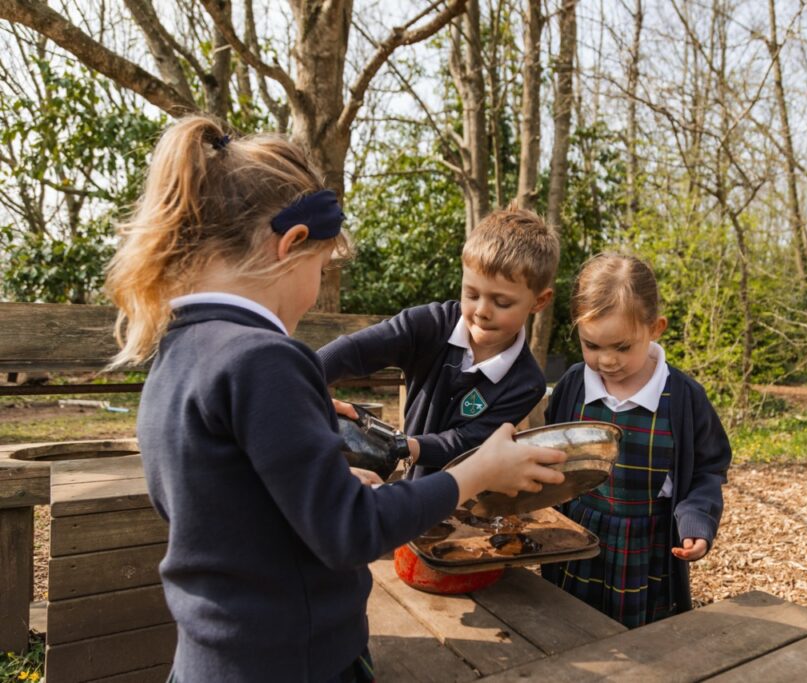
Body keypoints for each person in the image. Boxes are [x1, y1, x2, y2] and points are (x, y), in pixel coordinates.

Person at [104, 116, 566, 682]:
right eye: (322, 269)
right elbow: (349, 532)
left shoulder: (178, 347)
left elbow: (232, 507)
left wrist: (330, 475)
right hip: (296, 663)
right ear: (293, 245)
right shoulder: (265, 359)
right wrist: (479, 471)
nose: (317, 288)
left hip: (214, 657)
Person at [541, 252, 731, 628]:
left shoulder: (683, 397)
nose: (607, 360)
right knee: (568, 630)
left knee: (641, 642)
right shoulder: (572, 387)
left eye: (622, 347)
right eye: (591, 345)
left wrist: (696, 523)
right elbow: (550, 451)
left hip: (644, 551)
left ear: (655, 327)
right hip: (576, 541)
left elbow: (708, 470)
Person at [318, 205, 559, 478]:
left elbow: (467, 442)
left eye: (501, 302)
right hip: (411, 486)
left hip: (470, 498)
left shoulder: (526, 382)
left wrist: (400, 445)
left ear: (538, 301)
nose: (482, 311)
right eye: (471, 294)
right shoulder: (430, 324)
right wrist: (304, 377)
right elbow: (355, 350)